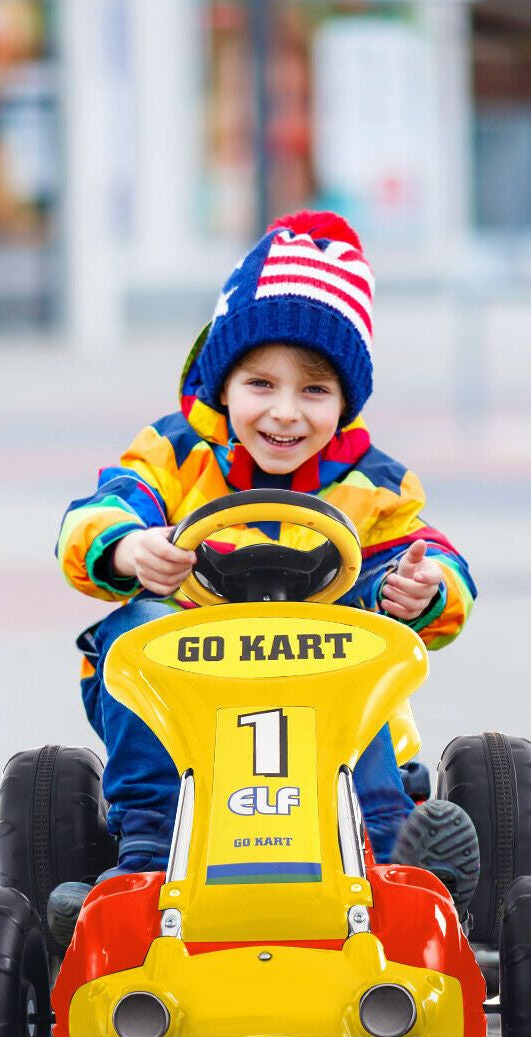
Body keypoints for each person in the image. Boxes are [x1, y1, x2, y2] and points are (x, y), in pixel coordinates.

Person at [49, 211, 479, 948]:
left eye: (314, 390)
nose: (284, 412)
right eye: (261, 384)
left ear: (345, 401)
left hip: (327, 703)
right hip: (194, 699)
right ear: (224, 380)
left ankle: (386, 859)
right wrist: (127, 549)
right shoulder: (175, 454)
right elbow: (99, 512)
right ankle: (149, 849)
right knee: (131, 631)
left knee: (372, 649)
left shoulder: (374, 486)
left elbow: (430, 557)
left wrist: (424, 587)